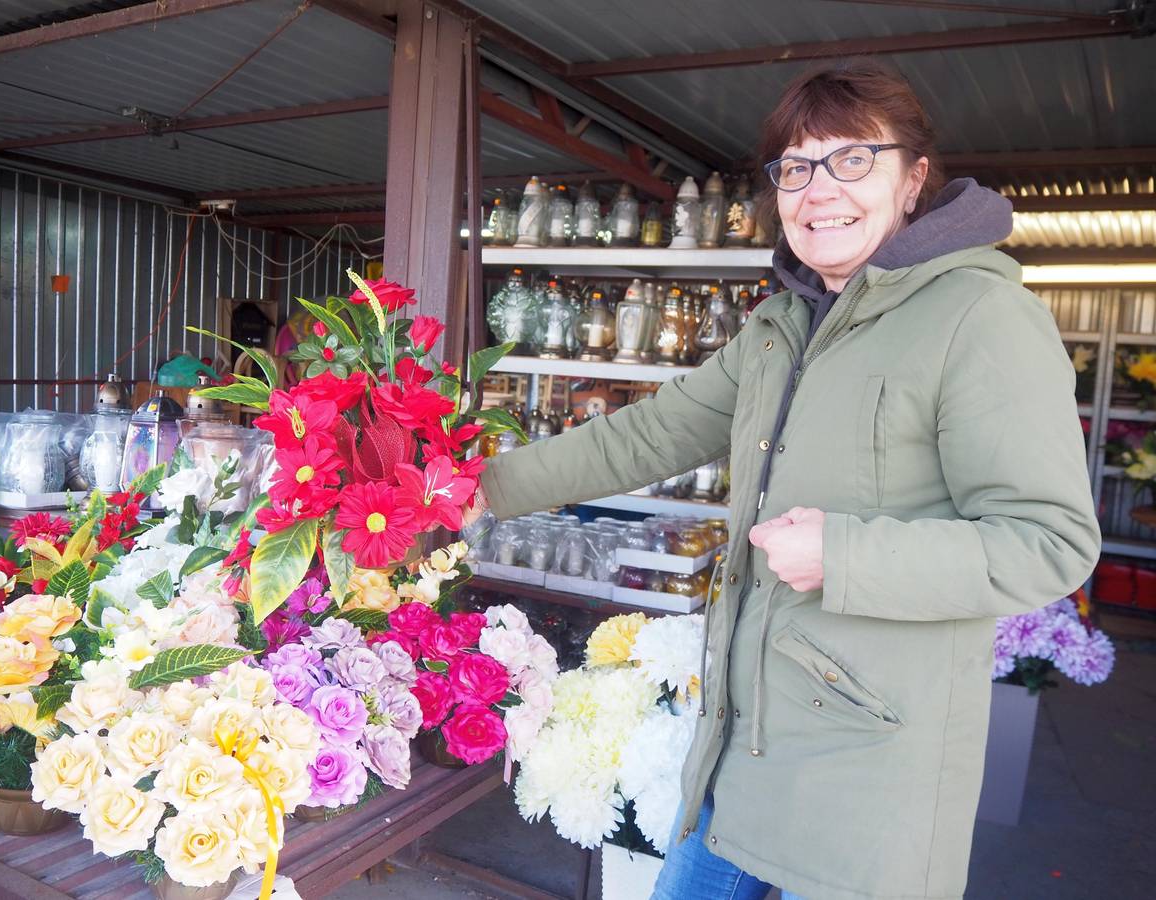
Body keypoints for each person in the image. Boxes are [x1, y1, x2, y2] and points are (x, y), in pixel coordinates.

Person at [463, 60, 1100, 900]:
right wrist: (479, 487)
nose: (819, 189)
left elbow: (1049, 545)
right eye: (796, 167)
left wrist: (844, 553)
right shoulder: (780, 323)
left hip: (868, 780)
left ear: (913, 180)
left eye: (853, 159)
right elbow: (653, 430)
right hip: (739, 753)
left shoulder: (980, 319)